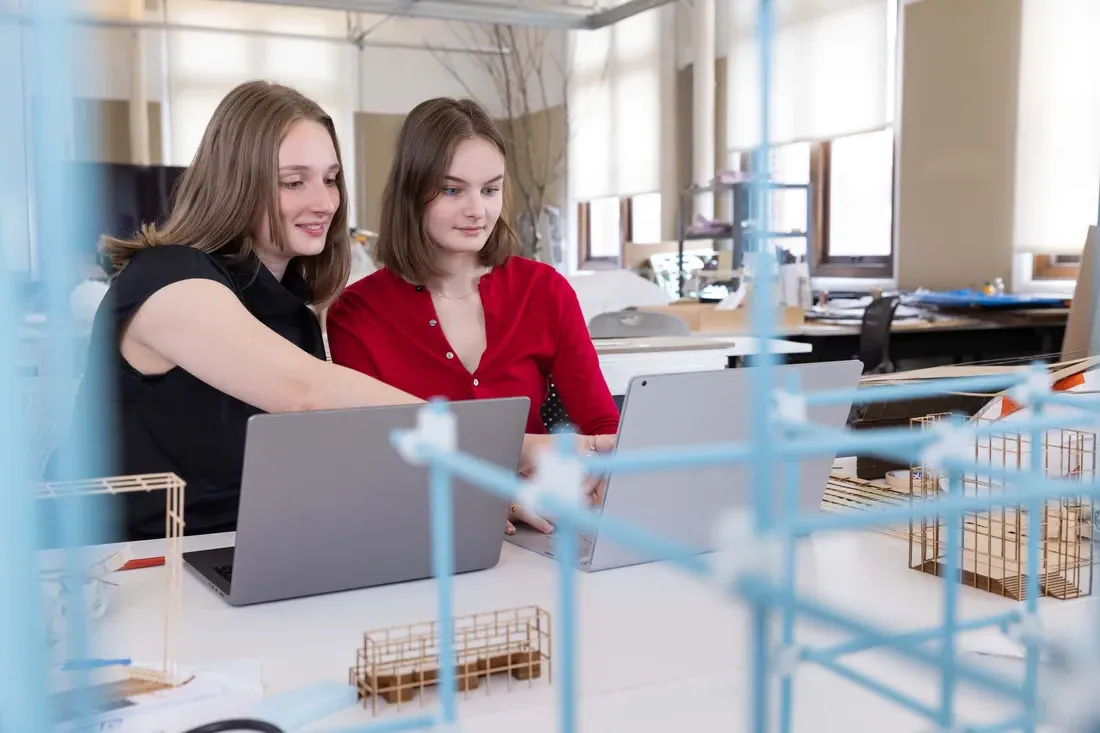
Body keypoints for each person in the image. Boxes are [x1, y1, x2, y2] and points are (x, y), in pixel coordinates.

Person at [56, 81, 587, 542]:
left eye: (330, 178)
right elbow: (306, 395)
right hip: (123, 565)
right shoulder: (167, 279)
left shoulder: (293, 315)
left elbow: (334, 462)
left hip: (243, 554)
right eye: (294, 181)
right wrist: (503, 449)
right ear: (234, 181)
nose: (325, 201)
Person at [324, 97, 619, 536]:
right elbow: (376, 459)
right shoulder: (357, 313)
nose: (477, 210)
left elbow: (603, 429)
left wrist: (593, 476)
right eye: (452, 189)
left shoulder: (544, 291)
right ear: (411, 191)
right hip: (421, 535)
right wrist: (493, 495)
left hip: (543, 532)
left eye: (490, 189)